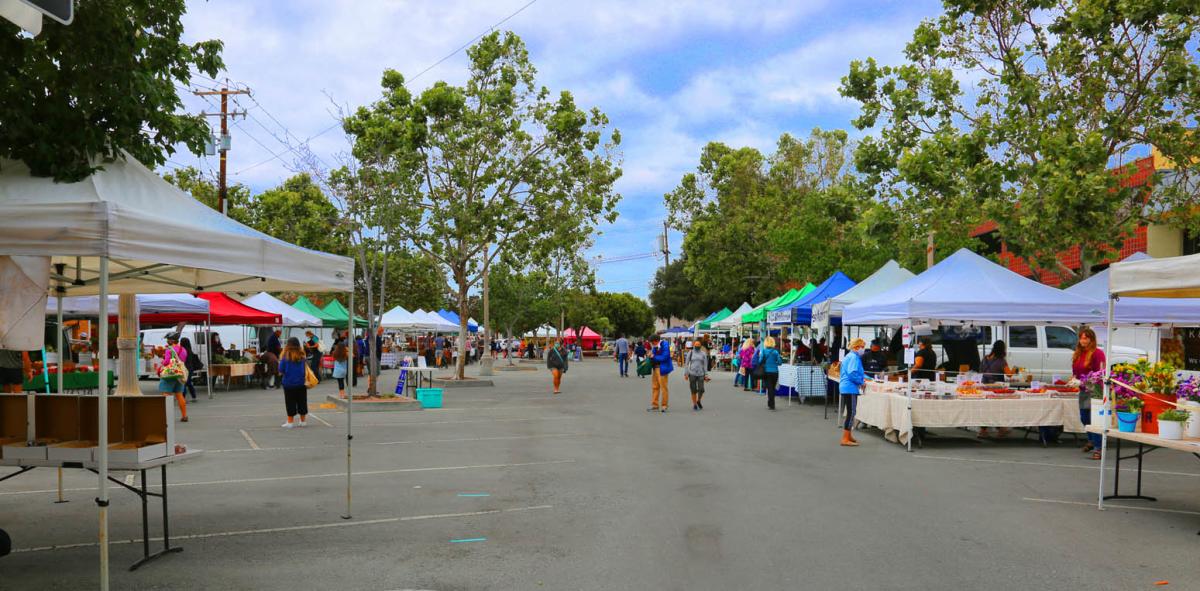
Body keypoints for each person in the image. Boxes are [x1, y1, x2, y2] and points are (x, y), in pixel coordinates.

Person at [1075, 327, 1106, 458]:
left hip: (1095, 391)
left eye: (1086, 338)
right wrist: (1074, 380)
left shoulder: (1098, 353)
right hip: (1083, 390)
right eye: (1081, 338)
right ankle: (1092, 440)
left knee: (1095, 419)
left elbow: (1100, 373)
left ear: (1091, 339)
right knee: (1084, 417)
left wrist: (1085, 382)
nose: (1083, 340)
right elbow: (1076, 372)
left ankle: (1099, 447)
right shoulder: (1078, 353)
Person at [977, 340, 1011, 438]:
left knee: (986, 409)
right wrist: (1014, 370)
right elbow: (1009, 374)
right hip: (996, 389)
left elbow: (980, 371)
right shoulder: (1002, 361)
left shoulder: (985, 358)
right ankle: (1000, 429)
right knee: (998, 408)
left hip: (984, 386)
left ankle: (983, 430)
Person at [839, 338, 867, 446]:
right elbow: (852, 373)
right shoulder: (854, 357)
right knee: (851, 413)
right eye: (862, 347)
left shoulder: (850, 356)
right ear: (856, 347)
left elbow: (856, 372)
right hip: (850, 388)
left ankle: (848, 435)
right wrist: (861, 382)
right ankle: (845, 438)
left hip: (846, 387)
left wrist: (866, 378)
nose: (863, 350)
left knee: (851, 412)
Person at [278, 337, 309, 428]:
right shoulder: (302, 355)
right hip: (301, 383)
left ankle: (290, 422)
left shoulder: (285, 356)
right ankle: (303, 421)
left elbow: (281, 369)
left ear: (288, 345)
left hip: (289, 383)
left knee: (290, 402)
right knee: (302, 401)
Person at [158, 335, 189, 422]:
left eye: (168, 339)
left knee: (166, 394)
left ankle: (166, 416)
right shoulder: (183, 349)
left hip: (169, 374)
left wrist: (162, 361)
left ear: (171, 340)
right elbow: (183, 360)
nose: (167, 341)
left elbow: (167, 362)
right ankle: (184, 415)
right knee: (179, 394)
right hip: (179, 374)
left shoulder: (169, 349)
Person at [648, 334, 673, 412]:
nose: (651, 344)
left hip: (662, 368)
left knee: (663, 387)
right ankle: (655, 405)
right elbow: (653, 354)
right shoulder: (655, 346)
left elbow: (665, 356)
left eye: (652, 342)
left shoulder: (665, 344)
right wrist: (650, 355)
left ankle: (664, 405)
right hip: (655, 368)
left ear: (656, 341)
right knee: (655, 387)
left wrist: (653, 356)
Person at [757, 337, 783, 410]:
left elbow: (760, 361)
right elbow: (780, 362)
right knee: (772, 388)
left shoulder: (764, 351)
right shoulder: (775, 352)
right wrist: (775, 362)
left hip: (767, 372)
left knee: (769, 388)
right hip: (775, 372)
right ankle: (771, 404)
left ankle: (771, 404)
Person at [683, 341, 709, 410]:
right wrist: (686, 373)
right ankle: (694, 404)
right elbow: (686, 363)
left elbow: (705, 365)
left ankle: (698, 400)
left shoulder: (703, 354)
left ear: (700, 346)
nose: (697, 346)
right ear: (694, 345)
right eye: (696, 345)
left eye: (699, 345)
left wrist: (706, 375)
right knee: (693, 390)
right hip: (692, 373)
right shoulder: (690, 353)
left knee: (701, 389)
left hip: (701, 373)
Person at [180, 337, 203, 401]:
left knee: (184, 383)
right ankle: (193, 396)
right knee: (189, 383)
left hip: (184, 368)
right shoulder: (190, 350)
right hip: (190, 368)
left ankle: (183, 398)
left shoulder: (182, 350)